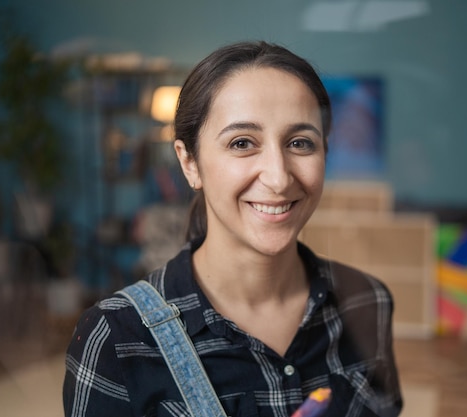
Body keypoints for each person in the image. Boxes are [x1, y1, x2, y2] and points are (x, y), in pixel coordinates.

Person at [63, 41, 403, 417]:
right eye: (242, 143)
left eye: (300, 142)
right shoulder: (116, 338)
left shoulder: (367, 301)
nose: (278, 177)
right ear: (189, 163)